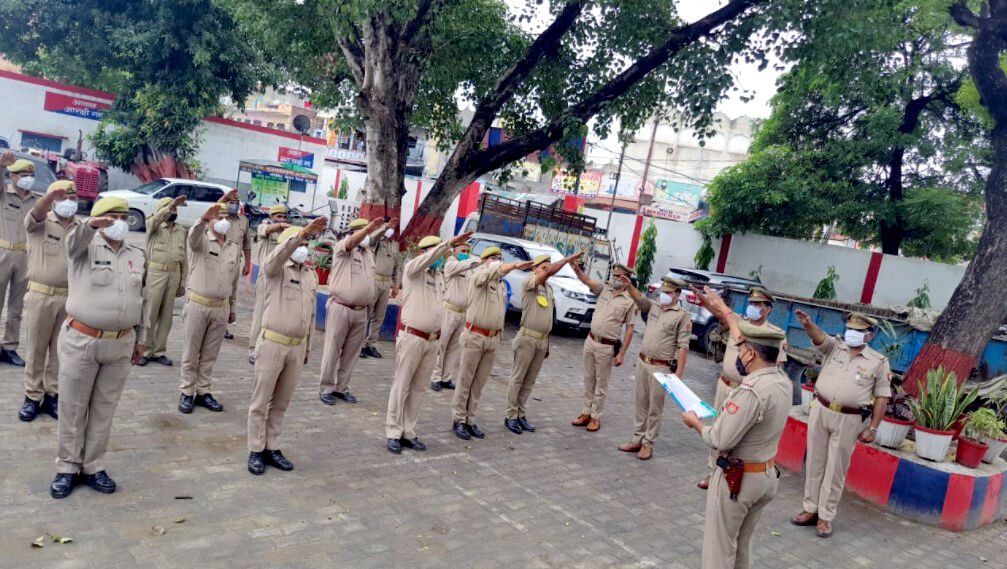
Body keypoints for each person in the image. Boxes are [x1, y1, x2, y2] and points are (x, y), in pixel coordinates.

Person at [681, 290, 791, 569]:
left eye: (741, 349)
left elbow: (721, 439)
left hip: (738, 480)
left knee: (720, 548)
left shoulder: (752, 391)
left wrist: (697, 424)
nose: (738, 354)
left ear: (751, 352)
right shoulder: (781, 381)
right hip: (765, 475)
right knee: (742, 543)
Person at [50, 196, 147, 499]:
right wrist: (90, 225)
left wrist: (141, 337)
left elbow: (142, 297)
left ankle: (93, 465)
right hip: (82, 339)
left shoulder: (137, 253)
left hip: (120, 344)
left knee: (105, 408)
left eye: (123, 216)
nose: (118, 222)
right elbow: (71, 243)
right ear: (99, 219)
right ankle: (67, 466)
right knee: (73, 406)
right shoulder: (83, 246)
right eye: (111, 216)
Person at [791, 310, 890, 538]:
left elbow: (882, 397)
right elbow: (819, 338)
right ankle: (810, 509)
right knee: (815, 461)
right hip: (821, 409)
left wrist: (873, 428)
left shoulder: (878, 362)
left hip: (849, 418)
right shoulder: (835, 347)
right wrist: (807, 324)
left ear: (869, 335)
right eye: (850, 329)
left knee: (836, 469)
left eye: (858, 331)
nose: (852, 334)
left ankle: (825, 517)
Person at [246, 217, 327, 475]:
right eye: (300, 242)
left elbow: (312, 315)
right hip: (272, 343)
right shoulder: (276, 268)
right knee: (261, 401)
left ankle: (272, 446)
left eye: (306, 242)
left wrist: (308, 348)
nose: (304, 245)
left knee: (281, 403)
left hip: (296, 347)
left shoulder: (310, 275)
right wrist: (299, 233)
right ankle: (256, 449)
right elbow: (271, 262)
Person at [385, 231, 473, 453]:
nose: (442, 258)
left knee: (418, 389)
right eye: (438, 253)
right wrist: (446, 245)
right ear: (427, 253)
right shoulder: (413, 270)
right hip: (412, 336)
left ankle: (408, 430)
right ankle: (393, 431)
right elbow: (425, 260)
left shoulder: (440, 276)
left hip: (431, 340)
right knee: (401, 385)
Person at [698, 287, 787, 488]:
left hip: (747, 392)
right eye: (752, 303)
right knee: (718, 430)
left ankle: (730, 475)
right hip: (725, 385)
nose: (753, 307)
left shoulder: (774, 335)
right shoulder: (738, 322)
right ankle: (713, 473)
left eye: (758, 304)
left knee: (737, 436)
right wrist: (704, 299)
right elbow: (718, 311)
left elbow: (777, 367)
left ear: (768, 309)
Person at [450, 247, 533, 440]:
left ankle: (470, 419)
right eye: (493, 258)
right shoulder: (478, 277)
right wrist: (509, 265)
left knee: (479, 382)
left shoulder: (501, 285)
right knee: (465, 380)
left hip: (492, 338)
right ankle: (459, 420)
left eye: (499, 258)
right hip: (474, 336)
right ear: (484, 260)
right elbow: (489, 273)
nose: (497, 261)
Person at [18, 180, 79, 422]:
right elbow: (35, 214)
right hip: (40, 295)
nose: (68, 202)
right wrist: (47, 197)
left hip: (69, 297)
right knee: (36, 349)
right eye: (62, 197)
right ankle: (32, 396)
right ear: (52, 200)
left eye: (72, 198)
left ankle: (52, 395)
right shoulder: (40, 221)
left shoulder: (81, 227)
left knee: (60, 351)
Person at [318, 216, 396, 405]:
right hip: (341, 307)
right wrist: (369, 228)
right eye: (365, 232)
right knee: (332, 350)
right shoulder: (343, 248)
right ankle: (326, 387)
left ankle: (341, 387)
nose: (367, 235)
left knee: (352, 353)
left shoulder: (368, 253)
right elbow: (352, 242)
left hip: (361, 311)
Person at [503, 251, 583, 435]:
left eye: (549, 266)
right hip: (527, 338)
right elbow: (547, 274)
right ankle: (510, 415)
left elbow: (546, 316)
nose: (548, 270)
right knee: (518, 378)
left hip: (541, 340)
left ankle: (520, 414)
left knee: (529, 380)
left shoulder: (548, 288)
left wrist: (546, 343)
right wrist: (567, 260)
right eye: (543, 267)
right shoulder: (530, 281)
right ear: (534, 268)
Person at [616, 276, 691, 459]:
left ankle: (648, 444)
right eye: (662, 292)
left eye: (668, 292)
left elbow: (683, 346)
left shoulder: (682, 316)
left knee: (654, 408)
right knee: (641, 403)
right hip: (643, 362)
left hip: (662, 367)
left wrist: (679, 374)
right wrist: (630, 286)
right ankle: (637, 439)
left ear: (677, 294)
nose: (663, 295)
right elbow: (640, 299)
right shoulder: (654, 306)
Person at [177, 203, 240, 414]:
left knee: (210, 354)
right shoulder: (200, 240)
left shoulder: (233, 246)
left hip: (220, 308)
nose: (222, 221)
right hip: (198, 305)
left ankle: (203, 391)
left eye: (225, 217)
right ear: (210, 219)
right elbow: (193, 237)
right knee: (191, 352)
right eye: (217, 216)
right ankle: (186, 391)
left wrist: (232, 307)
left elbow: (235, 280)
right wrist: (202, 219)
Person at [570, 262, 638, 432]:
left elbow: (630, 329)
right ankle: (586, 412)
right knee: (588, 379)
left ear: (626, 279)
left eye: (619, 276)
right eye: (614, 275)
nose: (615, 278)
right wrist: (578, 271)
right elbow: (587, 281)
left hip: (607, 347)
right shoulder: (604, 289)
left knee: (601, 383)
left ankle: (595, 417)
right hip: (591, 341)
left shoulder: (630, 301)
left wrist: (622, 354)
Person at [138, 195, 188, 367]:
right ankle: (145, 350)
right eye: (171, 208)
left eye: (175, 209)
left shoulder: (181, 230)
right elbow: (156, 219)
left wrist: (182, 283)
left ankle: (159, 351)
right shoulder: (154, 224)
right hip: (155, 272)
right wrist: (169, 206)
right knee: (150, 312)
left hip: (173, 275)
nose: (174, 211)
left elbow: (184, 260)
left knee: (167, 316)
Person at [0, 154, 39, 366]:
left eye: (30, 175)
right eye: (23, 175)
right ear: (12, 176)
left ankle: (10, 347)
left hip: (25, 256)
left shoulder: (37, 201)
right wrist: (1, 166)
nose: (27, 178)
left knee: (16, 307)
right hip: (2, 253)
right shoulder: (4, 195)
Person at [430, 240, 480, 392]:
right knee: (442, 344)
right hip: (449, 310)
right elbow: (464, 265)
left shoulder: (470, 267)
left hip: (463, 312)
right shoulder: (451, 264)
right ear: (454, 251)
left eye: (467, 251)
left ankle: (446, 377)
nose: (466, 254)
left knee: (455, 347)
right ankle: (436, 377)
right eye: (462, 251)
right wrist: (475, 260)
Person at [247, 204, 290, 364]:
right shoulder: (265, 227)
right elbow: (265, 230)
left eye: (284, 217)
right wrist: (279, 225)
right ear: (272, 217)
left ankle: (267, 349)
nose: (282, 220)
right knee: (260, 316)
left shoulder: (285, 234)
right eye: (279, 217)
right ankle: (253, 350)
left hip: (281, 280)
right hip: (266, 279)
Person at [362, 221, 400, 358]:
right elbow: (372, 238)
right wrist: (384, 228)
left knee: (379, 316)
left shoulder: (395, 245)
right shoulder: (377, 241)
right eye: (389, 226)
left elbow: (397, 266)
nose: (391, 229)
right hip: (374, 280)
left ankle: (370, 344)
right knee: (366, 313)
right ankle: (359, 344)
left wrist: (396, 284)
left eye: (392, 227)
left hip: (386, 282)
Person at [220, 189, 251, 341]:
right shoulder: (219, 218)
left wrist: (247, 264)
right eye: (231, 202)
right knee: (220, 292)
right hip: (218, 262)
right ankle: (217, 325)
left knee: (231, 294)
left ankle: (224, 325)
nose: (234, 205)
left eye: (236, 203)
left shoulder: (244, 220)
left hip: (235, 263)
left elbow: (247, 244)